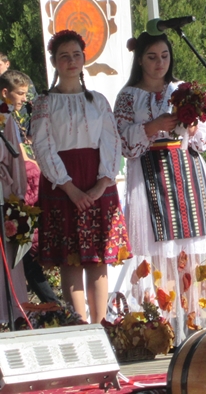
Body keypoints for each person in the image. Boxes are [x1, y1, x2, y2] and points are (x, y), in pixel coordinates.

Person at [113, 31, 206, 345]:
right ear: (140, 60)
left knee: (192, 249)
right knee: (158, 251)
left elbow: (204, 140)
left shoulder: (182, 90)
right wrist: (151, 128)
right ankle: (161, 328)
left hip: (186, 170)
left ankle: (198, 323)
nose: (159, 63)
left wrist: (193, 126)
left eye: (164, 56)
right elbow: (122, 141)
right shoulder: (128, 96)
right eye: (152, 57)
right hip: (149, 173)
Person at [30, 30, 131, 323]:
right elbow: (43, 147)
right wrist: (70, 188)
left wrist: (101, 185)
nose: (71, 61)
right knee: (71, 258)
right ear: (54, 62)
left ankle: (101, 327)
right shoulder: (45, 102)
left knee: (97, 258)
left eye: (76, 55)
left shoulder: (97, 100)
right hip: (62, 183)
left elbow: (111, 142)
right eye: (64, 56)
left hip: (97, 179)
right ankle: (80, 325)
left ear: (84, 59)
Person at [0, 69, 59, 304]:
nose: (24, 99)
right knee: (19, 254)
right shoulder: (4, 117)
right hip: (10, 192)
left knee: (23, 255)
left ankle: (51, 306)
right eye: (20, 93)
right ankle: (52, 306)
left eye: (26, 94)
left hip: (19, 192)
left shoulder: (11, 117)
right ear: (5, 92)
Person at [0, 70, 29, 325]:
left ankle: (12, 313)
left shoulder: (5, 117)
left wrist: (18, 195)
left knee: (8, 255)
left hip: (3, 189)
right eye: (19, 93)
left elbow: (14, 157)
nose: (24, 98)